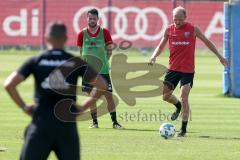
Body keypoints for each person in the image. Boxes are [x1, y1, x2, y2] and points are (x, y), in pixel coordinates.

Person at [4, 21, 107, 160]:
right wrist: (83, 106)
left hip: (41, 123)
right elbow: (102, 85)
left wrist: (24, 106)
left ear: (46, 38)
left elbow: (9, 84)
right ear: (65, 38)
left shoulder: (36, 60)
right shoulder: (75, 61)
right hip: (66, 127)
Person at [148, 6, 228, 137]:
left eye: (180, 19)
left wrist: (220, 56)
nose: (177, 22)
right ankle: (178, 106)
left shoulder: (193, 29)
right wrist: (153, 56)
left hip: (187, 71)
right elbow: (161, 44)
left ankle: (183, 129)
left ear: (185, 18)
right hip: (173, 69)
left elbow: (207, 42)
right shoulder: (169, 30)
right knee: (165, 96)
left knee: (184, 96)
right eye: (175, 19)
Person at [77, 8, 122, 129]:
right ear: (86, 18)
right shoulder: (82, 33)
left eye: (94, 18)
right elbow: (81, 51)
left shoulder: (104, 32)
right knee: (91, 97)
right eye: (90, 18)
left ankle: (115, 122)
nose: (92, 20)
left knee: (108, 96)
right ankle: (95, 123)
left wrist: (104, 62)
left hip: (103, 71)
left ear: (98, 19)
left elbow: (109, 50)